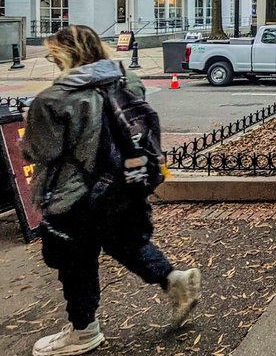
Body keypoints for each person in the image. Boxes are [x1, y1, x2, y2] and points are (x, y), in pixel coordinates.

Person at [21, 25, 201, 354]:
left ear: (64, 56)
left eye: (52, 56)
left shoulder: (53, 100)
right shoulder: (128, 81)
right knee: (126, 243)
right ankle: (174, 280)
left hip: (75, 197)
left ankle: (83, 330)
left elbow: (39, 152)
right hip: (126, 186)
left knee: (76, 263)